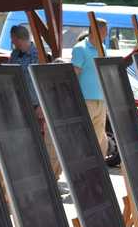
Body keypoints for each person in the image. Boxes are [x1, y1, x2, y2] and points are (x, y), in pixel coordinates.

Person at [8, 25, 63, 180]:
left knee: (39, 140)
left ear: (17, 39)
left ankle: (43, 174)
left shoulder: (40, 55)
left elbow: (47, 82)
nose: (12, 42)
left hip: (36, 104)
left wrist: (41, 104)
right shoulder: (15, 55)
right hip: (19, 103)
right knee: (22, 138)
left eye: (12, 39)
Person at [71, 17, 109, 156]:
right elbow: (74, 75)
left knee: (97, 139)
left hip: (101, 100)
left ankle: (92, 166)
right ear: (95, 31)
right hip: (85, 99)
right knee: (83, 137)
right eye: (104, 31)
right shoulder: (80, 48)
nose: (106, 34)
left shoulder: (103, 48)